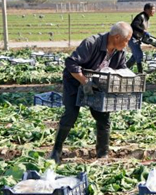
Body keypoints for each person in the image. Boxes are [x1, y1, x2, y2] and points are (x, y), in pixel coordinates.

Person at [48, 22, 133, 164]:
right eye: (127, 40)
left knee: (103, 117)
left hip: (97, 85)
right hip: (75, 82)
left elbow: (121, 69)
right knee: (70, 115)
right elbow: (71, 63)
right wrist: (84, 81)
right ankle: (56, 152)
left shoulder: (119, 52)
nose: (127, 44)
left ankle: (102, 154)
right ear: (117, 37)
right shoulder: (92, 43)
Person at [126, 3, 156, 73]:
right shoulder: (141, 16)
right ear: (146, 10)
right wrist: (143, 31)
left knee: (134, 58)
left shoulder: (146, 18)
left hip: (137, 39)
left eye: (154, 9)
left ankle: (125, 69)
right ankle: (140, 72)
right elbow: (134, 25)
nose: (154, 11)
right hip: (132, 38)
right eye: (152, 9)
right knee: (139, 55)